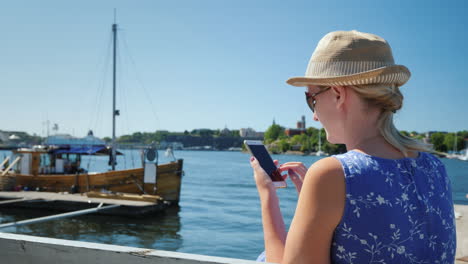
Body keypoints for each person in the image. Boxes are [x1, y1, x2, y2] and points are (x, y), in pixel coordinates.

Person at [250, 30, 456, 264]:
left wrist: (267, 194)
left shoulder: (333, 174)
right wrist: (318, 204)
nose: (315, 116)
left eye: (311, 99)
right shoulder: (435, 168)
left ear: (338, 94)